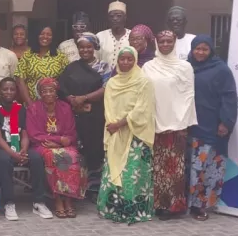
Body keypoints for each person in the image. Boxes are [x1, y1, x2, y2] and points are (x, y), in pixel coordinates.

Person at [97, 47, 156, 225]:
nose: (125, 62)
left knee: (132, 173)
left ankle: (134, 211)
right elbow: (108, 107)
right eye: (122, 59)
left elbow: (142, 109)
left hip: (136, 134)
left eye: (130, 59)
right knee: (113, 171)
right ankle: (112, 210)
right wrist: (113, 125)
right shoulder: (112, 83)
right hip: (115, 133)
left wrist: (120, 124)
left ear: (135, 60)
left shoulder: (144, 81)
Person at [143, 30, 197, 220]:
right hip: (154, 123)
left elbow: (188, 95)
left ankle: (173, 206)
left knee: (174, 168)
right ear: (156, 43)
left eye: (169, 41)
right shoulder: (148, 67)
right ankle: (158, 204)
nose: (165, 44)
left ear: (175, 43)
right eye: (162, 41)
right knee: (156, 166)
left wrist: (182, 123)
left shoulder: (184, 67)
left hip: (176, 124)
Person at [0, 77, 53, 221]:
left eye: (12, 89)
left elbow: (24, 132)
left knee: (35, 157)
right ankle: (9, 203)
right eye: (5, 89)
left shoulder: (20, 108)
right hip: (2, 148)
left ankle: (39, 202)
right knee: (4, 160)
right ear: (0, 91)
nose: (9, 92)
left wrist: (23, 149)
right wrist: (13, 154)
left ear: (16, 91)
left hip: (18, 146)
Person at [187, 35, 237, 221]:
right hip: (189, 126)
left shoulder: (221, 70)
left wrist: (226, 122)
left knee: (206, 169)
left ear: (211, 51)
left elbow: (229, 97)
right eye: (197, 49)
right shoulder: (186, 67)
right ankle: (188, 202)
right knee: (190, 168)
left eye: (204, 49)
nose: (200, 52)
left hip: (211, 127)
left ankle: (201, 205)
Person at [27, 78, 85, 218]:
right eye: (44, 91)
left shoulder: (65, 107)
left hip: (64, 145)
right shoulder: (33, 108)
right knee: (54, 156)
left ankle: (69, 200)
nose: (47, 94)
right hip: (42, 145)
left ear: (56, 92)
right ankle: (58, 200)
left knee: (73, 156)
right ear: (40, 93)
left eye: (51, 90)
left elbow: (71, 133)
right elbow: (34, 134)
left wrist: (60, 143)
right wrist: (57, 140)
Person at [58, 33, 109, 182]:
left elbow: (106, 88)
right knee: (76, 150)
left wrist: (84, 98)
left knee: (94, 150)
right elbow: (62, 87)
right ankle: (74, 186)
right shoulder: (72, 67)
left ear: (94, 48)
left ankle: (93, 187)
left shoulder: (104, 67)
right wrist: (71, 99)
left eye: (89, 47)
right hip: (74, 116)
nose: (85, 50)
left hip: (95, 117)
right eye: (81, 47)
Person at [15, 24, 69, 107]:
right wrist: (29, 103)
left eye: (49, 34)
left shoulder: (60, 56)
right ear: (37, 36)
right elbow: (20, 80)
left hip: (54, 106)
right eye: (42, 34)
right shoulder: (27, 55)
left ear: (53, 37)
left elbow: (67, 79)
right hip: (32, 105)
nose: (45, 37)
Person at [97, 0, 131, 69]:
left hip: (128, 78)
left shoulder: (132, 35)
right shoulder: (100, 36)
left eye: (119, 16)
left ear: (125, 17)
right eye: (111, 16)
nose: (115, 18)